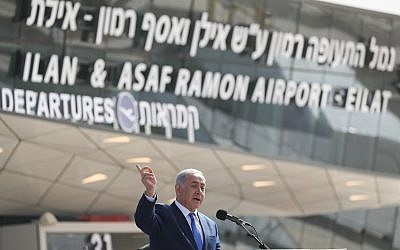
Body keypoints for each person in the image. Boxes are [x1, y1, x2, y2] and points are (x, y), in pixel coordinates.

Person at [135, 166, 221, 250]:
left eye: (202, 188)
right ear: (178, 189)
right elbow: (143, 221)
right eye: (194, 186)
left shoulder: (211, 225)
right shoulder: (162, 213)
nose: (199, 191)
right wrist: (150, 191)